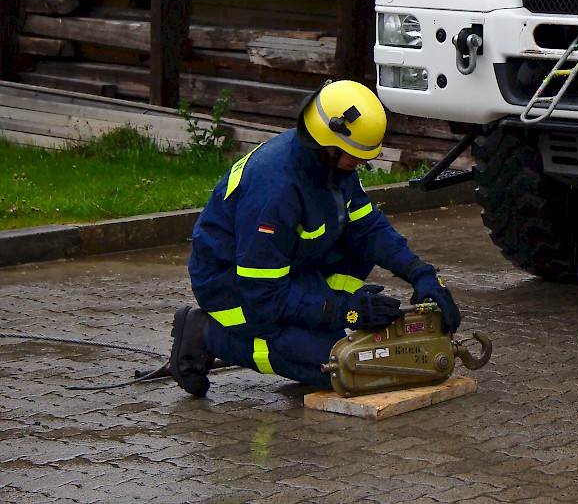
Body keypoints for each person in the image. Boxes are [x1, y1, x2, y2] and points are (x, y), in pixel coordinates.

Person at [167, 79, 461, 397]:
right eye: (356, 155)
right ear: (328, 145)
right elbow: (264, 295)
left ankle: (315, 315)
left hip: (288, 268)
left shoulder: (332, 169)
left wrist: (422, 274)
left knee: (357, 250)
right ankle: (206, 334)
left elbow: (370, 229)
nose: (363, 163)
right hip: (235, 288)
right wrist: (345, 311)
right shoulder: (276, 190)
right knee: (343, 367)